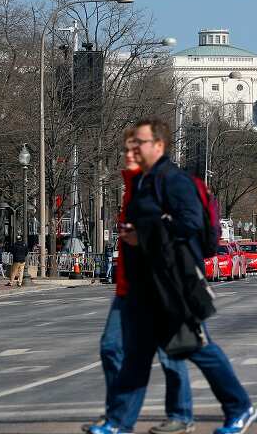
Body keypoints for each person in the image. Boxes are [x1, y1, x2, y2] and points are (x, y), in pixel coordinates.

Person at [89, 119, 257, 434]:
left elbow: (190, 224)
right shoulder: (144, 182)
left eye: (139, 142)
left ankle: (239, 406)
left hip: (174, 282)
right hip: (147, 285)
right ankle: (119, 423)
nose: (133, 148)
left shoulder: (174, 181)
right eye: (131, 144)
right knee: (136, 357)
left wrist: (143, 235)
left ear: (158, 145)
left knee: (197, 348)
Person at [83, 128, 195, 434]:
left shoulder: (164, 183)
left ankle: (180, 414)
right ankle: (118, 416)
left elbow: (184, 228)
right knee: (111, 348)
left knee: (170, 352)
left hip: (161, 283)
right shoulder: (132, 185)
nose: (129, 155)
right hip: (130, 285)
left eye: (136, 149)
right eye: (128, 150)